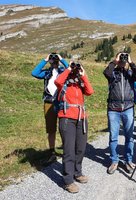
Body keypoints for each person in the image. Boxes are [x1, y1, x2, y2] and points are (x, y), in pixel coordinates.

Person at [55, 61, 94, 193]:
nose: (75, 70)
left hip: (81, 118)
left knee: (80, 148)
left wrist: (83, 75)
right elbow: (57, 82)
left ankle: (77, 173)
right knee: (69, 149)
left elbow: (90, 91)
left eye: (76, 68)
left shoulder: (79, 82)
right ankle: (68, 180)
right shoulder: (64, 82)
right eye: (74, 68)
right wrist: (68, 68)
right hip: (67, 118)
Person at [103, 52, 136, 175]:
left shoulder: (130, 73)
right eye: (121, 58)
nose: (122, 61)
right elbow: (106, 72)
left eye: (124, 59)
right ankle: (114, 160)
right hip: (113, 109)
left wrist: (131, 62)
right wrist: (115, 61)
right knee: (113, 137)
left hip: (128, 108)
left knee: (129, 137)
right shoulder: (112, 74)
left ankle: (128, 160)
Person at [31, 53, 68, 163]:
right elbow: (34, 73)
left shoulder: (63, 71)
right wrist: (45, 60)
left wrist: (62, 59)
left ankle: (67, 150)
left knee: (64, 128)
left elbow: (69, 69)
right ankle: (52, 152)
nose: (54, 60)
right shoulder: (47, 72)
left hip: (60, 102)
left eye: (55, 59)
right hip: (48, 102)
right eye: (53, 59)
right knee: (51, 129)